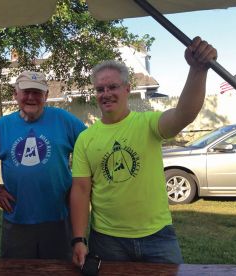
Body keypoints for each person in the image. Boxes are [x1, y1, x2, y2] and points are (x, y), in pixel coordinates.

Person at [70, 37, 218, 266]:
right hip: (108, 239)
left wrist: (198, 71)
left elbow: (183, 114)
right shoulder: (85, 139)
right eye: (100, 89)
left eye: (113, 87)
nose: (106, 93)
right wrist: (79, 239)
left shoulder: (148, 124)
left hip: (157, 235)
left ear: (127, 89)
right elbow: (80, 191)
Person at [0, 70, 86, 259]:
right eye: (26, 92)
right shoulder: (3, 125)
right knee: (16, 270)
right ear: (15, 94)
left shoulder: (63, 119)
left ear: (46, 96)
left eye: (37, 92)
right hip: (17, 218)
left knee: (58, 270)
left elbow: (91, 147)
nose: (31, 97)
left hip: (59, 217)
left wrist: (80, 185)